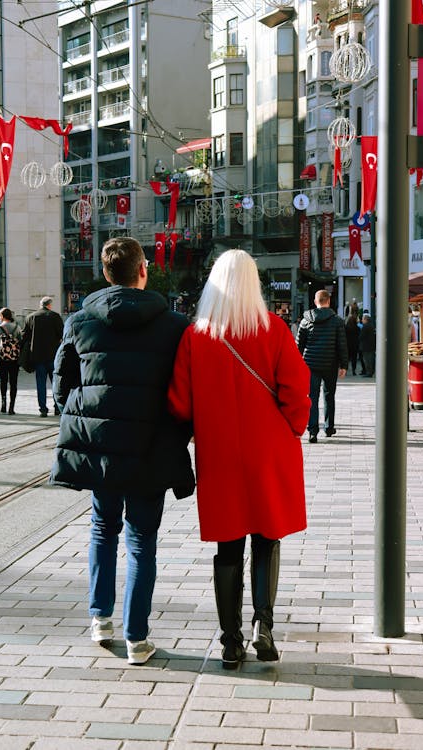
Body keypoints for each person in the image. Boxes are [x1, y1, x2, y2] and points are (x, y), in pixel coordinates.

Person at [50, 236, 194, 665]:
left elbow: (61, 386)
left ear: (106, 272)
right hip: (151, 448)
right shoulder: (174, 325)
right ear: (143, 270)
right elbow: (186, 391)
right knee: (141, 540)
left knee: (102, 528)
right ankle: (137, 638)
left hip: (101, 449)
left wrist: (88, 418)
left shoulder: (79, 321)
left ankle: (100, 620)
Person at [168, 249, 310, 669]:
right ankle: (264, 624)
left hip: (221, 453)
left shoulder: (197, 335)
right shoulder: (274, 329)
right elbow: (296, 389)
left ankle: (230, 641)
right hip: (269, 450)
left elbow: (179, 402)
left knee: (228, 546)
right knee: (267, 538)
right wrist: (293, 428)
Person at [296, 289, 348, 443]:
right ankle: (329, 427)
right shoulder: (337, 321)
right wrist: (343, 365)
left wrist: (297, 363)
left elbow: (299, 344)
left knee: (312, 398)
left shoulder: (306, 320)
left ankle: (312, 431)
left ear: (315, 301)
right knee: (329, 396)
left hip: (310, 365)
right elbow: (342, 345)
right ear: (329, 301)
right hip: (330, 364)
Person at [21, 296, 64, 416]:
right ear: (49, 305)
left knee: (40, 384)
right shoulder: (55, 316)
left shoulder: (30, 317)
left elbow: (24, 336)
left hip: (37, 356)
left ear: (41, 305)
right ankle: (57, 407)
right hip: (53, 356)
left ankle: (43, 409)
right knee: (56, 383)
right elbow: (62, 334)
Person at [0, 307, 23, 414]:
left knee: (3, 382)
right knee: (13, 383)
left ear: (2, 316)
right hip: (14, 359)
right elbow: (21, 343)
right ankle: (11, 407)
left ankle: (3, 404)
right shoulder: (17, 328)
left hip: (2, 358)